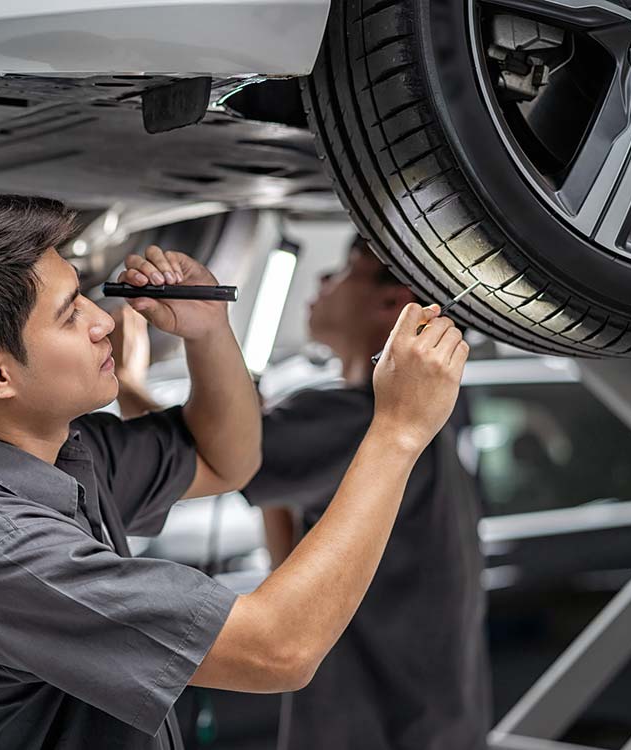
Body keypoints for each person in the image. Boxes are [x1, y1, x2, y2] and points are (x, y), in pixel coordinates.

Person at [0, 195, 469, 750]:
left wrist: (207, 334)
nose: (103, 320)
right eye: (70, 314)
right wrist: (398, 431)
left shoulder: (64, 454)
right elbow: (278, 650)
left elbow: (224, 459)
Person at [116, 234, 490, 750]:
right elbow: (287, 543)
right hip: (427, 725)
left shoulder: (355, 418)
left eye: (343, 270)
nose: (319, 280)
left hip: (377, 730)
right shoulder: (402, 422)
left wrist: (126, 378)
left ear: (393, 301)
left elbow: (208, 456)